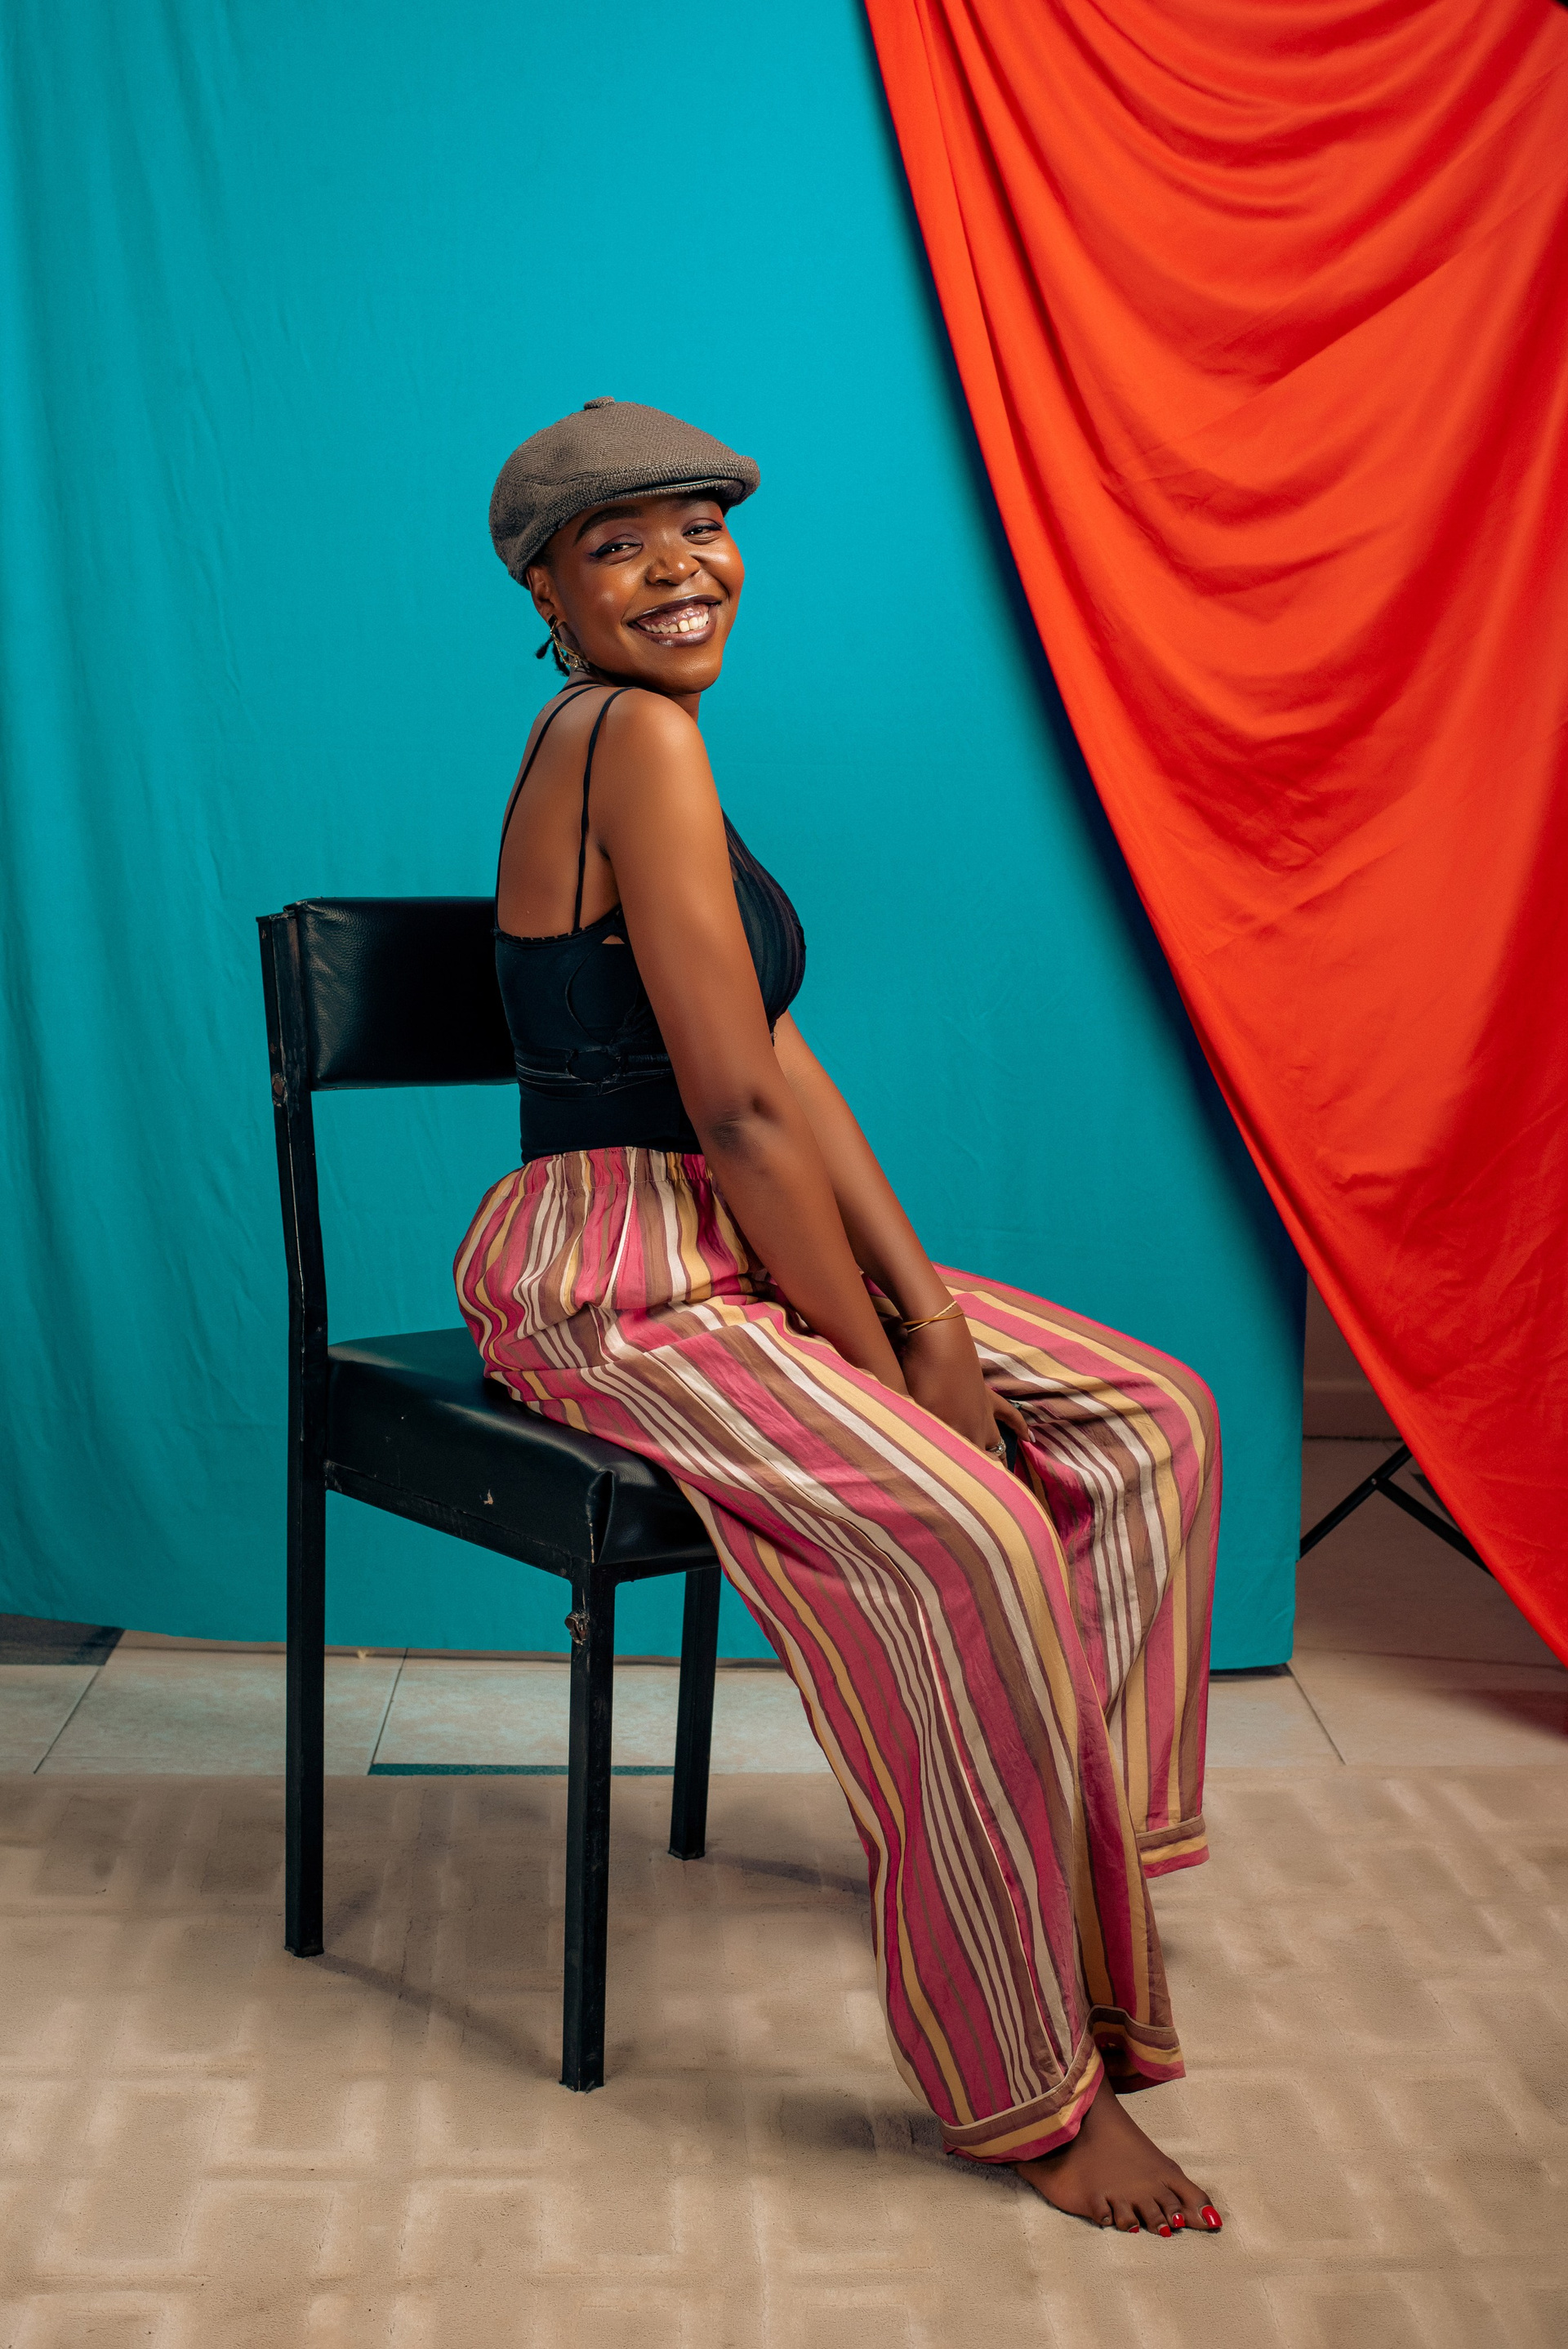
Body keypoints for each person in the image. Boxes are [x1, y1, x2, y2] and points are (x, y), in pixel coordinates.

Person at [456, 398, 1223, 2237]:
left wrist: (928, 1315)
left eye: (701, 526)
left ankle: (1072, 1863)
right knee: (970, 1525)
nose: (680, 567)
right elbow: (727, 1116)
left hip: (733, 1235)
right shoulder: (625, 734)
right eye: (620, 543)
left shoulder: (666, 749)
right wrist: (887, 1368)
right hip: (612, 1263)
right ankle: (1030, 2082)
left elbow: (782, 1066)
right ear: (546, 590)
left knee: (1148, 1421)